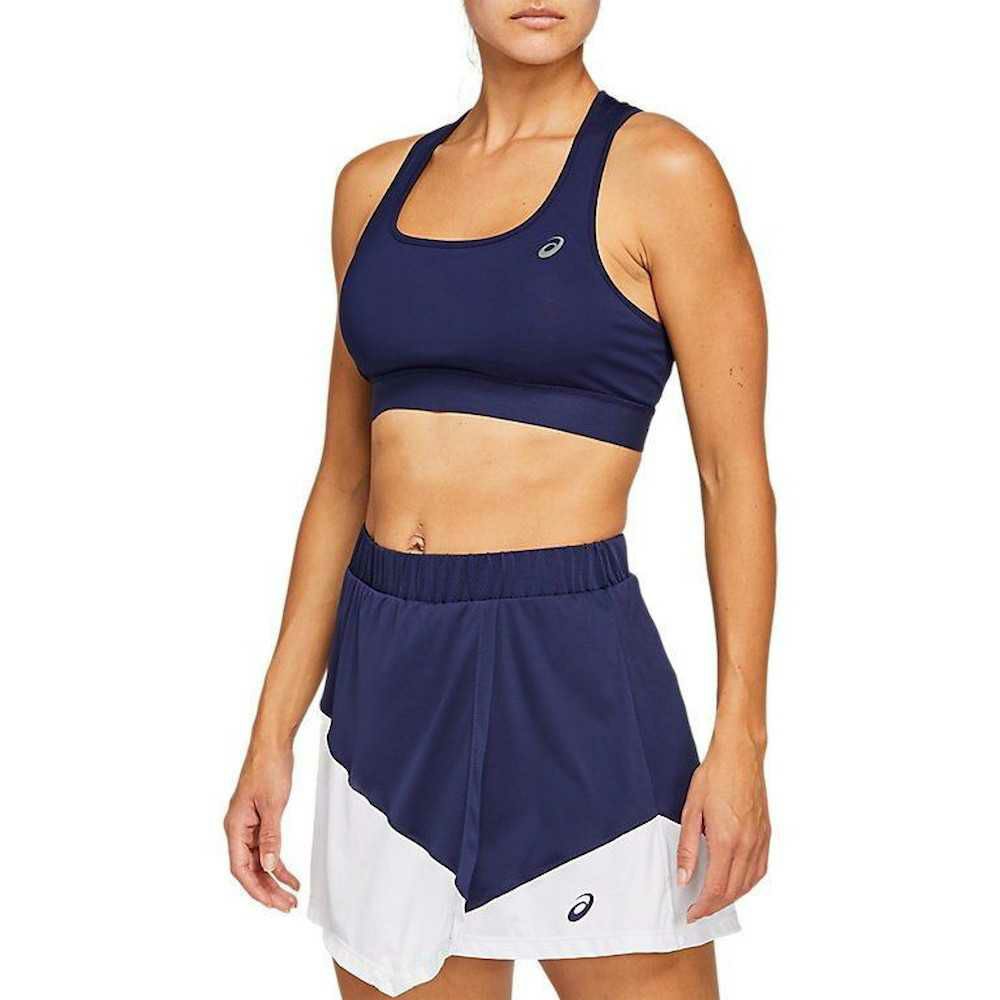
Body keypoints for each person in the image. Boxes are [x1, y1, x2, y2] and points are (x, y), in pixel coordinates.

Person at [224, 2, 775, 997]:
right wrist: (271, 735)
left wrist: (741, 738)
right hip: (388, 672)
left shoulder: (661, 172)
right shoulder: (372, 189)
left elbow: (731, 476)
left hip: (567, 662)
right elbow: (343, 478)